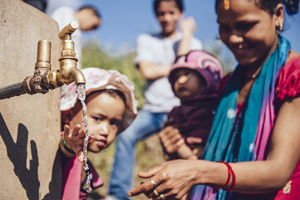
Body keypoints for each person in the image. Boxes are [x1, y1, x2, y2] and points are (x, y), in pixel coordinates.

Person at [127, 0, 300, 200]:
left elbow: (277, 172)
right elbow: (212, 150)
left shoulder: (293, 75)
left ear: (278, 15)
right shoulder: (227, 86)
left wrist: (197, 172)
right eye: (225, 27)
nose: (234, 38)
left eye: (245, 25)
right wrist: (175, 141)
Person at [107, 0, 203, 199]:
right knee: (125, 134)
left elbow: (181, 69)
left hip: (180, 110)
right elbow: (147, 71)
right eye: (161, 13)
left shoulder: (193, 43)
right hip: (151, 110)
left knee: (180, 150)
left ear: (180, 13)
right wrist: (175, 67)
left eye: (171, 12)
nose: (166, 18)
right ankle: (117, 194)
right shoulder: (146, 39)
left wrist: (185, 35)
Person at [59, 68, 137, 200]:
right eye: (98, 119)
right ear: (68, 116)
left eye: (114, 123)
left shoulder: (84, 163)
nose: (106, 131)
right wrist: (70, 145)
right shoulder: (71, 144)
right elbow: (64, 147)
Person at [159, 50, 223, 161]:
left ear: (207, 77)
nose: (181, 80)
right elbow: (175, 140)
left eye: (188, 74)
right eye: (176, 77)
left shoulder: (221, 106)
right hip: (189, 158)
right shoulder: (178, 111)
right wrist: (190, 157)